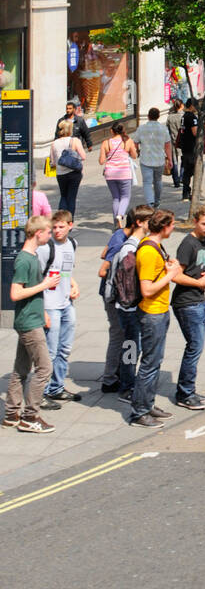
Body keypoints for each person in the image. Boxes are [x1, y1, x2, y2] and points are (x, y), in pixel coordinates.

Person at [3, 215, 61, 432]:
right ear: (38, 233)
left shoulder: (32, 256)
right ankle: (30, 416)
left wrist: (43, 310)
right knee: (45, 368)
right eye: (48, 231)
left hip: (33, 318)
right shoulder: (24, 260)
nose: (51, 234)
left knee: (21, 369)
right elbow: (15, 293)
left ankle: (11, 414)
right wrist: (45, 285)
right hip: (28, 323)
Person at [128, 210, 182, 427]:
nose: (174, 227)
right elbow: (147, 289)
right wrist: (171, 275)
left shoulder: (156, 246)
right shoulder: (149, 252)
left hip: (159, 311)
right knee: (149, 363)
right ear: (165, 226)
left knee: (155, 361)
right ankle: (139, 412)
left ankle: (147, 404)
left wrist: (169, 267)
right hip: (151, 313)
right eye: (173, 224)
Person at [105, 203, 154, 399]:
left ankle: (127, 381)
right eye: (150, 221)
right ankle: (126, 386)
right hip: (129, 309)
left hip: (130, 308)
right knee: (131, 347)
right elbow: (126, 285)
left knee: (133, 346)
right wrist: (131, 307)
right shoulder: (129, 249)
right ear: (139, 222)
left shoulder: (137, 245)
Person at [171, 203, 205, 409]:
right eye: (204, 224)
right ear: (196, 222)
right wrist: (198, 283)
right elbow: (176, 275)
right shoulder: (188, 244)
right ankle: (184, 393)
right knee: (194, 347)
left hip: (199, 299)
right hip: (186, 302)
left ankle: (189, 389)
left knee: (196, 346)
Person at [38, 210, 81, 406]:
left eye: (61, 227)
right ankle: (41, 391)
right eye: (54, 227)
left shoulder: (72, 244)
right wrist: (43, 309)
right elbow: (36, 277)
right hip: (50, 305)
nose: (57, 231)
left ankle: (56, 387)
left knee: (65, 349)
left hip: (66, 303)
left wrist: (73, 284)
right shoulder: (46, 248)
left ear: (70, 226)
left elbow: (66, 271)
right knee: (51, 351)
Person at [99, 121, 137, 226]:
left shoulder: (105, 143)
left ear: (112, 131)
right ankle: (120, 215)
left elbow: (101, 161)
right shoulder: (128, 141)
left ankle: (116, 223)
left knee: (116, 198)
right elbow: (134, 156)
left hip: (110, 173)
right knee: (125, 196)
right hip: (124, 172)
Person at [134, 107, 172, 208]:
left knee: (147, 182)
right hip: (159, 160)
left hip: (145, 159)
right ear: (158, 117)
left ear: (148, 116)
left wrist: (137, 151)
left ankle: (150, 202)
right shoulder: (163, 129)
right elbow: (167, 146)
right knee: (158, 181)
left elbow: (135, 142)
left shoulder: (141, 128)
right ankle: (157, 200)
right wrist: (170, 159)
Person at [48, 119, 86, 218]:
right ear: (70, 129)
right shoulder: (75, 140)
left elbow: (52, 162)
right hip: (74, 172)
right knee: (71, 198)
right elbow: (83, 156)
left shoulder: (54, 143)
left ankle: (60, 219)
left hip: (60, 174)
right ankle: (69, 221)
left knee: (63, 196)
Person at [178, 99, 198, 200]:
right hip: (191, 148)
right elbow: (195, 132)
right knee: (195, 170)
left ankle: (186, 192)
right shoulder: (191, 117)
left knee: (186, 171)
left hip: (185, 147)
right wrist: (203, 128)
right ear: (192, 106)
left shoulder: (184, 116)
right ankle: (194, 192)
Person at [166, 99, 184, 189]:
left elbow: (167, 129)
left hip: (172, 140)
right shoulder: (183, 116)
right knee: (183, 159)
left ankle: (176, 180)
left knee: (173, 161)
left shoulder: (170, 117)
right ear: (181, 106)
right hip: (182, 140)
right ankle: (182, 177)